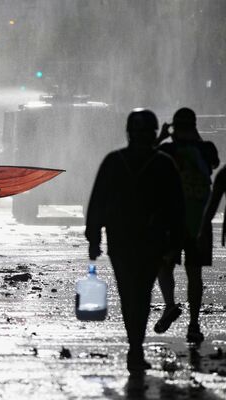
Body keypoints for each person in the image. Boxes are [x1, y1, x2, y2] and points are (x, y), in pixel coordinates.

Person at [86, 109, 185, 375]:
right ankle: (135, 346)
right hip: (147, 242)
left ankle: (135, 345)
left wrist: (94, 238)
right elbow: (177, 209)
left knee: (131, 294)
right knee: (139, 294)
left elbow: (97, 203)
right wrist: (175, 244)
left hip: (126, 242)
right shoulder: (163, 163)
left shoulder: (114, 161)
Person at [153, 108, 219, 343]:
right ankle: (193, 324)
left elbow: (145, 157)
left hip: (173, 221)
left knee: (164, 264)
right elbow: (213, 163)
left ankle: (171, 306)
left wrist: (162, 137)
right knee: (194, 274)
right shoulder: (205, 148)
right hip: (198, 220)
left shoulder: (168, 149)